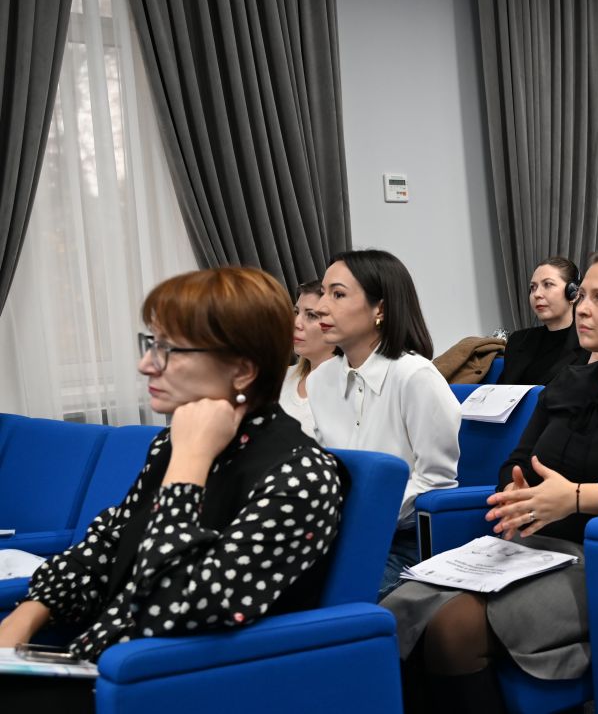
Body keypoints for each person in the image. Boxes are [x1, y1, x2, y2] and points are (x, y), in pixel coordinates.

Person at [382, 246, 598, 712]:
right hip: (529, 549)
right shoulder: (569, 381)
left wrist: (574, 498)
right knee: (392, 615)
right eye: (583, 296)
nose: (584, 309)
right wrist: (514, 491)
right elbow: (516, 462)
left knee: (452, 629)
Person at [0, 268, 346, 711]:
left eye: (170, 349)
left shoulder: (302, 474)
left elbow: (172, 609)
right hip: (95, 664)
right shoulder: (173, 442)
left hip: (165, 685)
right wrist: (23, 619)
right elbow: (111, 543)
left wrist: (190, 464)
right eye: (151, 343)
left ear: (242, 370)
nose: (147, 364)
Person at [307, 250, 460, 600]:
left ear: (380, 309)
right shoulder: (321, 379)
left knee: (327, 604)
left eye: (338, 294)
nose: (321, 307)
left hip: (404, 541)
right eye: (323, 292)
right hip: (339, 533)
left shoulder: (415, 376)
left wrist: (362, 515)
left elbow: (436, 483)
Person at [498, 257, 590, 385]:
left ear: (573, 294)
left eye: (548, 284)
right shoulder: (518, 341)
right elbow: (500, 390)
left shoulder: (589, 345)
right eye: (533, 287)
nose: (537, 294)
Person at [280, 280, 338, 438]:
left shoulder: (352, 389)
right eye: (296, 312)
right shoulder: (280, 378)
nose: (296, 323)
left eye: (311, 315)